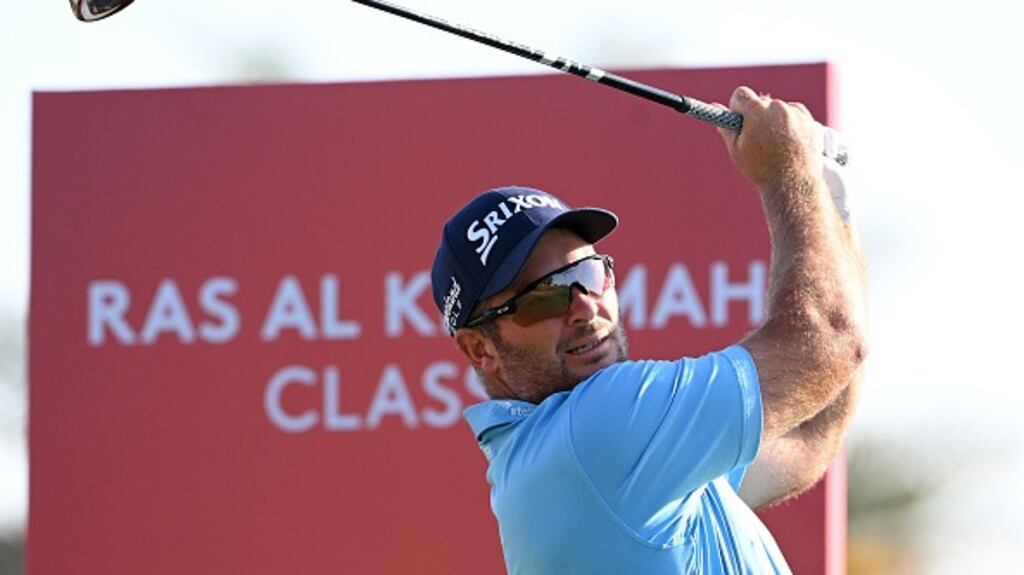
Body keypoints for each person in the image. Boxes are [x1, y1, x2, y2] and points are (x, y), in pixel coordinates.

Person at [430, 86, 867, 574]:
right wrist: (787, 172)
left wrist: (831, 208)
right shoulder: (595, 432)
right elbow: (826, 341)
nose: (584, 307)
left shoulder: (623, 461)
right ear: (480, 348)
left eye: (587, 275)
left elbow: (810, 437)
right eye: (543, 297)